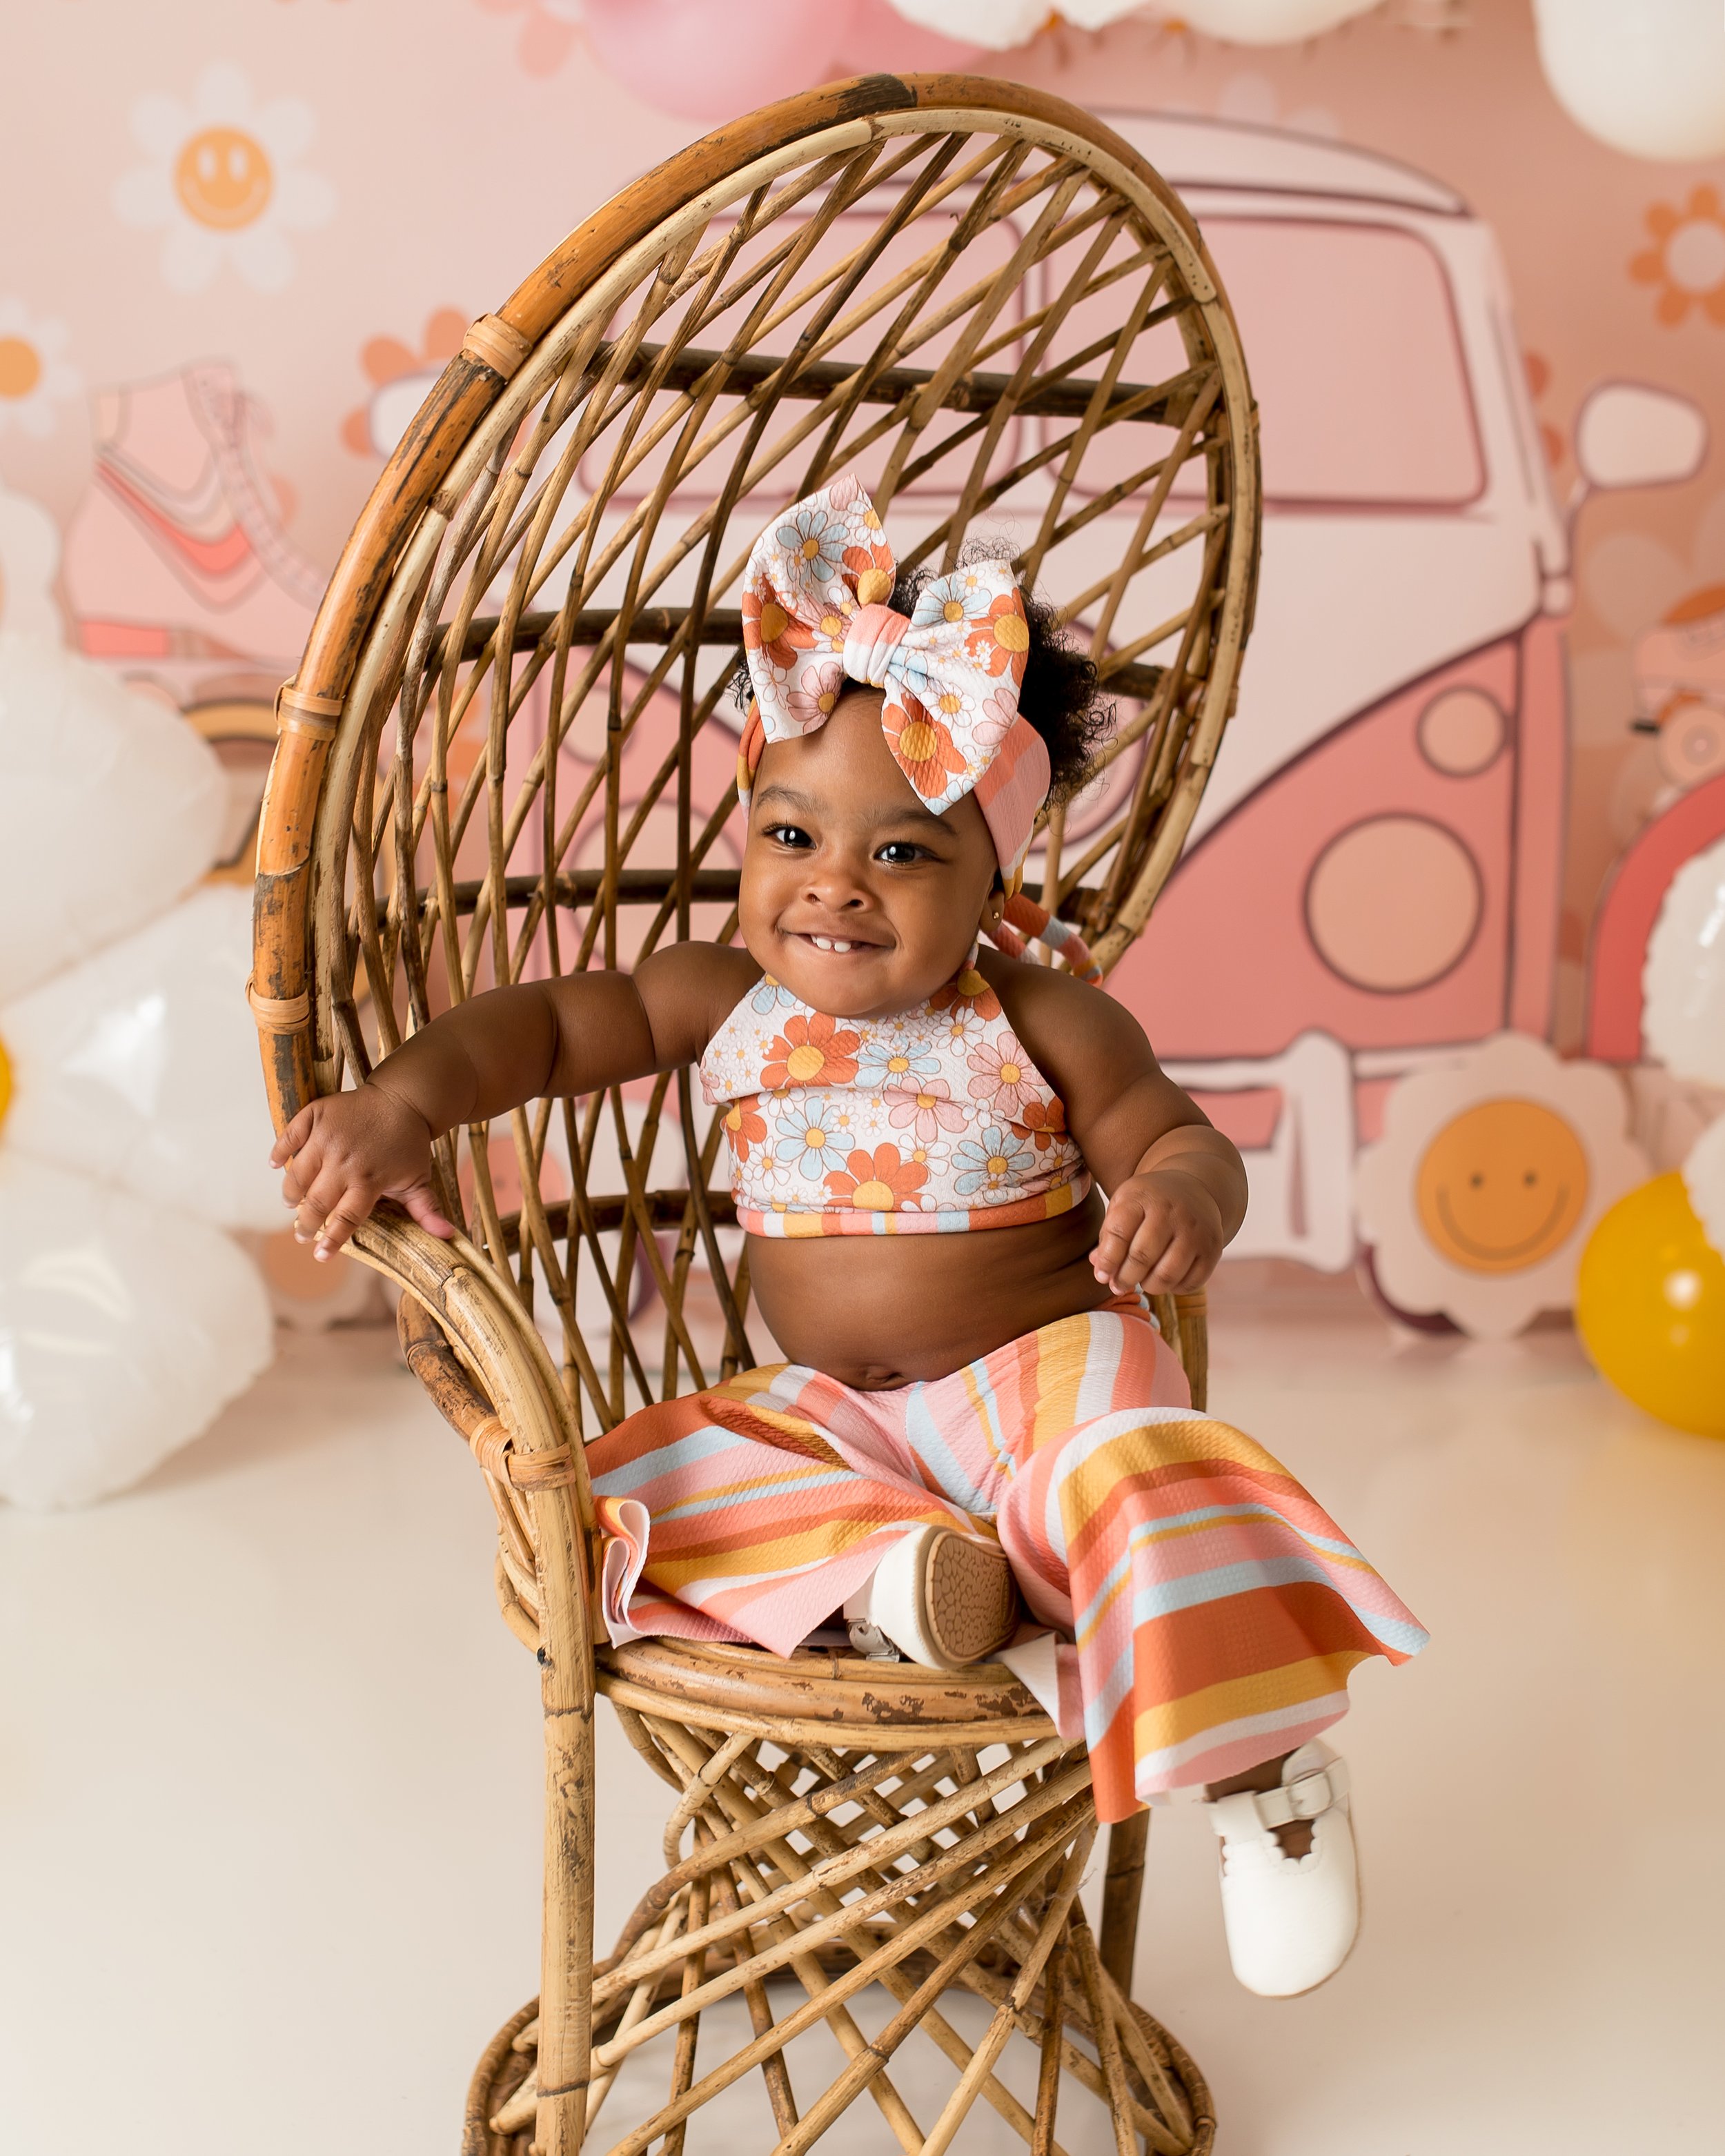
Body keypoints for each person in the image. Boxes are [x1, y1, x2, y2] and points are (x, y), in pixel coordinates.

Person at [273, 473, 1426, 1997]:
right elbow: (540, 1029)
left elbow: (1172, 1134)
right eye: (789, 831)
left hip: (1034, 1387)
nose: (833, 880)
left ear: (987, 882)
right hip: (847, 1426)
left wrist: (1178, 1198)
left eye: (901, 853)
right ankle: (906, 1584)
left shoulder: (1040, 1018)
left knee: (1127, 1469)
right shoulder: (722, 1000)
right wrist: (406, 1104)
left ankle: (1264, 1783)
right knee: (640, 1481)